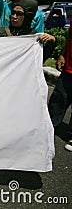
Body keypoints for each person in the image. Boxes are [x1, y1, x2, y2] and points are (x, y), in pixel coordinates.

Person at [48, 23, 72, 151]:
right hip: (69, 68)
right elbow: (69, 38)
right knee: (59, 98)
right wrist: (62, 55)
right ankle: (49, 127)